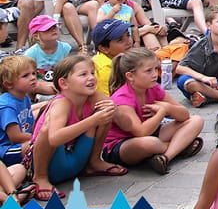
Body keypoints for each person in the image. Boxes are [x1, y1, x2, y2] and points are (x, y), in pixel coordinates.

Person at [27, 55, 126, 201]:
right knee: (48, 129)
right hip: (50, 165)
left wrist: (115, 110)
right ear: (64, 83)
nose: (91, 78)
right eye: (83, 74)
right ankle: (40, 177)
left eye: (92, 73)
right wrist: (92, 121)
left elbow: (127, 124)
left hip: (75, 160)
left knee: (105, 111)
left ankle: (94, 162)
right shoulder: (61, 104)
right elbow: (54, 138)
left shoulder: (94, 97)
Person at [102, 48, 205, 174]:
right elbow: (140, 132)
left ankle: (166, 157)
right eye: (148, 71)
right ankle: (181, 146)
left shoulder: (153, 87)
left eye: (156, 69)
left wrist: (167, 108)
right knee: (150, 143)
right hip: (123, 144)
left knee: (196, 120)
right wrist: (161, 113)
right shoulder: (122, 98)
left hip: (152, 132)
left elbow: (184, 115)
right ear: (130, 76)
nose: (155, 74)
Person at [0, 55, 39, 170]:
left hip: (20, 142)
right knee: (40, 144)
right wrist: (38, 137)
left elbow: (31, 124)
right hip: (6, 149)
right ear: (8, 84)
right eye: (25, 76)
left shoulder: (24, 97)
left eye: (33, 73)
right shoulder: (7, 106)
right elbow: (15, 137)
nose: (32, 77)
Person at [24, 15, 71, 93]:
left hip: (61, 82)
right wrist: (49, 85)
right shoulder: (31, 53)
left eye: (54, 27)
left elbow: (68, 70)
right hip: (41, 83)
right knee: (35, 85)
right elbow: (29, 77)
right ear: (36, 36)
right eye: (47, 29)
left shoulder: (65, 48)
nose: (53, 30)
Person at [91, 19, 135, 96]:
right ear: (103, 48)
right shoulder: (104, 71)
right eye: (120, 40)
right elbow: (111, 101)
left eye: (128, 35)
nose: (129, 41)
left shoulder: (123, 57)